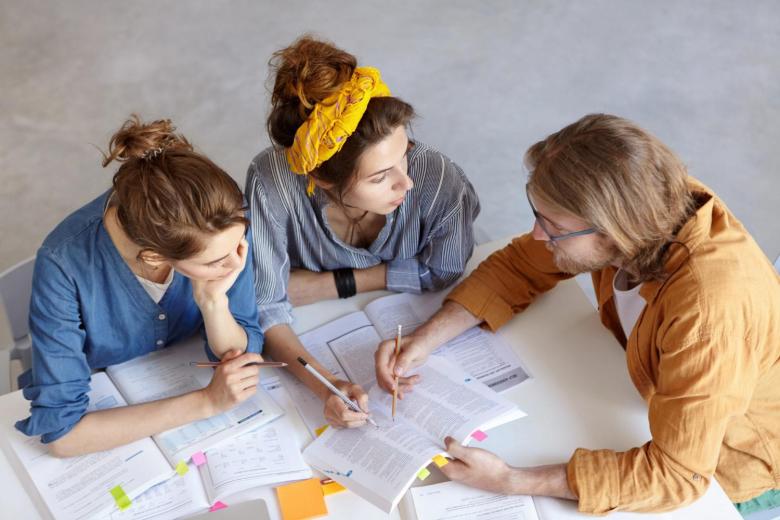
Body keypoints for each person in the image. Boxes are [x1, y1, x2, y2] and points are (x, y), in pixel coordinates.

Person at [375, 114, 780, 514]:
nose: (537, 235)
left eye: (552, 227)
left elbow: (678, 475)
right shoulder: (646, 204)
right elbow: (520, 265)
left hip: (739, 470)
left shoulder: (708, 318)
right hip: (648, 398)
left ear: (611, 228)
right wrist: (423, 340)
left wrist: (511, 480)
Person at [245, 35, 480, 429]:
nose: (406, 183)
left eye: (403, 153)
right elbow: (264, 307)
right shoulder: (271, 181)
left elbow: (446, 268)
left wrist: (328, 285)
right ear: (321, 178)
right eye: (380, 177)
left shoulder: (437, 175)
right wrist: (328, 386)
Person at [16, 115, 265, 457]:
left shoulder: (221, 224)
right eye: (213, 263)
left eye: (237, 246)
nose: (235, 263)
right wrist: (206, 402)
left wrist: (215, 305)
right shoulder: (64, 265)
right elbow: (63, 435)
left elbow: (242, 351)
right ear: (153, 258)